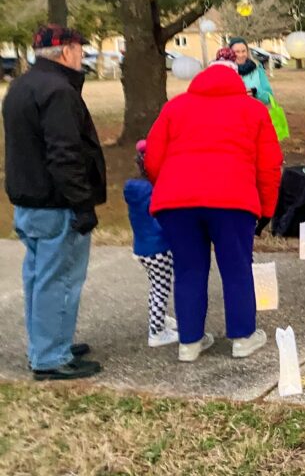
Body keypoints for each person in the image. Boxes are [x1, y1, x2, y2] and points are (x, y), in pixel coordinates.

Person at [145, 56, 282, 362]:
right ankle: (243, 337)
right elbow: (269, 166)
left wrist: (167, 186)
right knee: (236, 268)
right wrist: (266, 209)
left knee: (188, 270)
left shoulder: (175, 107)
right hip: (233, 200)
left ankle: (189, 342)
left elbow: (153, 157)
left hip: (177, 201)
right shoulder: (253, 110)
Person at [3, 25, 105, 380]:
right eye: (79, 49)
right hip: (56, 203)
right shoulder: (59, 91)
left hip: (28, 199)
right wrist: (82, 203)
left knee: (38, 278)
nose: (82, 55)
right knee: (59, 280)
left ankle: (47, 343)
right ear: (65, 51)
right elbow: (65, 154)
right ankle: (50, 356)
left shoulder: (21, 86)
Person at [124, 140, 178, 347]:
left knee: (156, 286)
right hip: (159, 248)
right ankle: (156, 332)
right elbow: (161, 218)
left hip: (142, 248)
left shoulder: (134, 189)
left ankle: (159, 318)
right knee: (161, 288)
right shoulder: (153, 190)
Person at [228, 36, 274, 104]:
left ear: (247, 52)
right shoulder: (223, 71)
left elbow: (269, 97)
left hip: (254, 110)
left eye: (243, 51)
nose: (241, 55)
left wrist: (256, 93)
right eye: (237, 52)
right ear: (230, 53)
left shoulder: (257, 69)